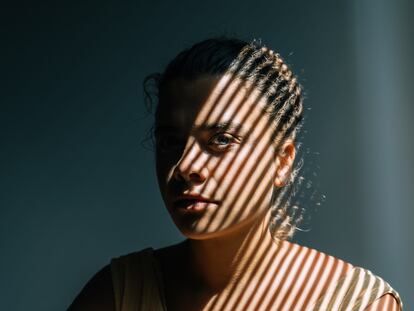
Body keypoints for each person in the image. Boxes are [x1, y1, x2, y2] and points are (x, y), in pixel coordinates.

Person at [68, 37, 403, 311]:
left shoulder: (357, 304)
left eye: (221, 140)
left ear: (282, 160)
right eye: (171, 141)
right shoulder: (117, 294)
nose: (185, 166)